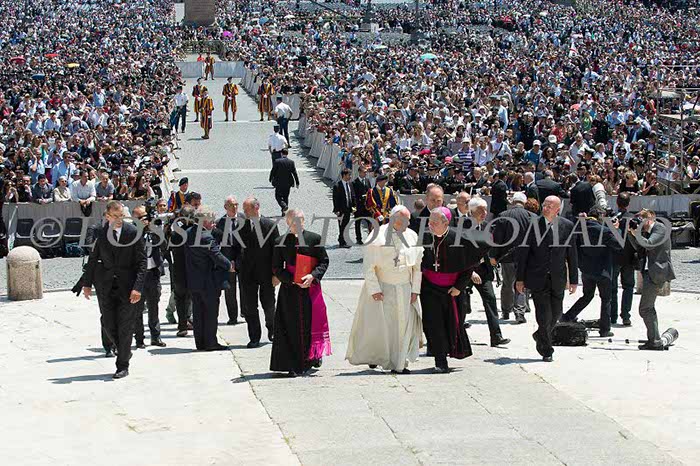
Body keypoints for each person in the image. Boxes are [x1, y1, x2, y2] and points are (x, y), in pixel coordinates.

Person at [346, 205, 424, 373]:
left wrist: (415, 290)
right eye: (403, 221)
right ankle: (381, 357)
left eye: (408, 221)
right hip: (384, 288)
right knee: (385, 327)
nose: (407, 224)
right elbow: (369, 266)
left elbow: (417, 267)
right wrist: (374, 289)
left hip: (405, 288)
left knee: (403, 327)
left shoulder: (412, 235)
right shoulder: (377, 236)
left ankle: (400, 362)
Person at [82, 201, 146, 379]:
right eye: (115, 216)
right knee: (108, 323)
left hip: (128, 288)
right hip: (107, 286)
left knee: (125, 326)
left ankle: (122, 365)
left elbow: (142, 262)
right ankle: (125, 351)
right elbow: (93, 259)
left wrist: (137, 288)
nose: (119, 219)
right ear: (107, 216)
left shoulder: (133, 232)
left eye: (121, 216)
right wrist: (87, 284)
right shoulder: (102, 234)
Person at [420, 207, 486, 373]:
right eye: (429, 221)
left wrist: (459, 287)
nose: (430, 225)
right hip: (430, 289)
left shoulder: (459, 239)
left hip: (452, 291)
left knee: (451, 324)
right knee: (433, 324)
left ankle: (450, 351)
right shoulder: (425, 237)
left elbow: (469, 265)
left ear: (446, 223)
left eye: (434, 222)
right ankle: (440, 360)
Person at [516, 196, 578, 362]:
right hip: (538, 277)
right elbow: (523, 253)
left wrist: (573, 279)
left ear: (558, 209)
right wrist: (520, 279)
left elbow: (572, 254)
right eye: (544, 205)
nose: (545, 208)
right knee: (543, 315)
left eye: (550, 206)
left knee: (556, 314)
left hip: (558, 278)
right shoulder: (532, 225)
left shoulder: (567, 226)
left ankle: (540, 335)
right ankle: (546, 350)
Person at [271, 209, 330, 376]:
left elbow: (324, 261)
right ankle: (291, 363)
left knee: (311, 324)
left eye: (298, 221)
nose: (295, 225)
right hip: (289, 291)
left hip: (310, 289)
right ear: (287, 222)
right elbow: (276, 267)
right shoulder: (280, 241)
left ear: (303, 221)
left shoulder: (314, 239)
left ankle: (312, 357)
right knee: (290, 326)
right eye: (292, 222)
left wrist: (313, 276)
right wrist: (291, 279)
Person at [561, 206, 622, 338]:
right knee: (606, 299)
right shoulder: (605, 231)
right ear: (600, 216)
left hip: (586, 269)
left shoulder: (580, 229)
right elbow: (618, 245)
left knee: (587, 296)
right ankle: (604, 329)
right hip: (603, 270)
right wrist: (615, 229)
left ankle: (568, 316)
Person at [184, 206, 232, 351]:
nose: (213, 224)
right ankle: (211, 342)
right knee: (211, 313)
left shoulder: (188, 233)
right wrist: (229, 265)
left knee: (198, 313)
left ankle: (200, 343)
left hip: (194, 280)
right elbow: (217, 257)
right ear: (204, 221)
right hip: (208, 282)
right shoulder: (206, 237)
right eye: (211, 221)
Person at [464, 197, 510, 346]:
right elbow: (460, 253)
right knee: (462, 304)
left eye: (485, 209)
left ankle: (496, 336)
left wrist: (494, 258)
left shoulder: (487, 227)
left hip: (483, 271)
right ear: (471, 211)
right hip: (465, 271)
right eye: (480, 210)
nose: (484, 213)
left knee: (490, 299)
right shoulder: (462, 227)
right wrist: (470, 271)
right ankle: (458, 337)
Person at [628, 209, 676, 351]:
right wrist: (630, 233)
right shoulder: (647, 231)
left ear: (648, 220)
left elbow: (648, 244)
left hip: (657, 273)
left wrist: (636, 233)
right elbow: (638, 246)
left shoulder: (660, 229)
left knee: (645, 308)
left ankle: (655, 341)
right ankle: (654, 339)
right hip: (650, 272)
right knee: (648, 308)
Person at [239, 197, 280, 348]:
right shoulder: (242, 226)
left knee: (268, 304)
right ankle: (254, 337)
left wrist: (276, 274)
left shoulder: (269, 225)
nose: (244, 212)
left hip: (266, 272)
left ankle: (272, 329)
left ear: (256, 207)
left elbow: (277, 250)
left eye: (247, 209)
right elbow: (237, 248)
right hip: (247, 273)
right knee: (250, 306)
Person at [489, 192, 535, 324]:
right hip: (526, 256)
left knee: (507, 284)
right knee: (522, 282)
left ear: (513, 202)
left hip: (507, 256)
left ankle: (505, 310)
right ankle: (520, 312)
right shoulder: (532, 217)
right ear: (524, 202)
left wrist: (493, 255)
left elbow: (497, 239)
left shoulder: (503, 216)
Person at [131, 206, 166, 348]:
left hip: (153, 273)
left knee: (154, 306)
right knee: (138, 309)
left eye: (146, 216)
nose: (144, 220)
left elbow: (164, 246)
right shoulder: (132, 233)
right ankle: (139, 339)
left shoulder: (153, 231)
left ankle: (156, 337)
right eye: (141, 217)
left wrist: (154, 230)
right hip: (138, 276)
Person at [215, 196, 245, 326]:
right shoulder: (219, 223)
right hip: (227, 260)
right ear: (225, 207)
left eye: (236, 204)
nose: (235, 207)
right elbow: (216, 244)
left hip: (243, 259)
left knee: (245, 287)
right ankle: (232, 317)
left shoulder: (244, 219)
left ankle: (245, 311)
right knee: (229, 290)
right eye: (231, 205)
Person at [611, 192, 636, 326]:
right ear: (629, 204)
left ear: (617, 203)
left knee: (612, 287)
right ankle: (625, 315)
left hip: (615, 256)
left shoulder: (612, 218)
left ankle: (612, 315)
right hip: (629, 256)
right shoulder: (632, 218)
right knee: (628, 287)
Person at [269, 149, 299, 216]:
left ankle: (283, 205)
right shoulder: (291, 162)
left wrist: (270, 178)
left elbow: (273, 171)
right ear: (287, 154)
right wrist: (297, 182)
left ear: (281, 154)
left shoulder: (277, 161)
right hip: (288, 182)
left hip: (279, 182)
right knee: (286, 196)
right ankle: (284, 211)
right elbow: (294, 173)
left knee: (277, 196)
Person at [332, 168, 355, 248]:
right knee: (342, 225)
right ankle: (342, 241)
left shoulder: (350, 184)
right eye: (349, 175)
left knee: (346, 225)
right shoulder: (337, 186)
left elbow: (352, 196)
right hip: (341, 210)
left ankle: (342, 239)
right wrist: (336, 210)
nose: (350, 177)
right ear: (344, 175)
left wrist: (353, 206)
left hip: (348, 208)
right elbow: (335, 199)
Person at [352, 165, 372, 244]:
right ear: (359, 172)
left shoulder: (367, 180)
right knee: (358, 223)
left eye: (366, 172)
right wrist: (354, 206)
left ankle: (370, 237)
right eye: (364, 172)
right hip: (359, 206)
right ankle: (358, 239)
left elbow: (370, 191)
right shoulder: (354, 182)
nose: (365, 174)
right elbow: (353, 195)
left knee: (369, 222)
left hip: (367, 206)